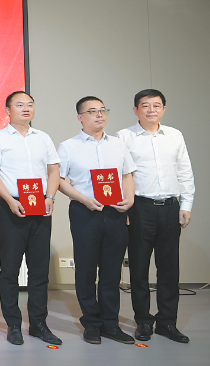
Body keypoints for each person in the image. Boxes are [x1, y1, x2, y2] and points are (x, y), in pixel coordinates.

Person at [0, 91, 62, 346]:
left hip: (40, 205)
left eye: (30, 104)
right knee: (10, 270)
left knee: (39, 270)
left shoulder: (43, 138)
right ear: (8, 110)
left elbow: (53, 170)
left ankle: (39, 324)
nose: (26, 108)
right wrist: (9, 200)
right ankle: (14, 325)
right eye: (19, 105)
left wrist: (50, 196)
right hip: (12, 206)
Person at [117, 89, 194, 344]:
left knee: (169, 268)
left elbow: (185, 172)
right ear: (136, 110)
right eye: (145, 105)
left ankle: (167, 322)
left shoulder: (174, 135)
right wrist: (125, 208)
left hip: (171, 207)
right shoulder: (124, 137)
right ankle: (143, 321)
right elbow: (119, 175)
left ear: (164, 109)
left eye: (157, 105)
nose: (151, 110)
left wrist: (186, 204)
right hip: (140, 208)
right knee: (139, 267)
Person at [57, 97, 136, 344]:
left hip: (115, 212)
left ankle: (111, 323)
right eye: (92, 111)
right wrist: (83, 199)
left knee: (112, 271)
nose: (99, 115)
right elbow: (58, 180)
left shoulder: (118, 144)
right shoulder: (68, 146)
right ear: (80, 117)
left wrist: (130, 200)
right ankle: (91, 323)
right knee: (86, 270)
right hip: (85, 212)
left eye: (102, 110)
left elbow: (127, 175)